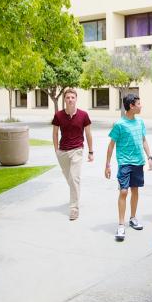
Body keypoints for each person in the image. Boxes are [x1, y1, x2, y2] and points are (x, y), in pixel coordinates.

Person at [105, 93, 152, 241]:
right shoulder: (119, 124)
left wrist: (149, 156)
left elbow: (143, 140)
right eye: (138, 104)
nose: (141, 106)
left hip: (138, 162)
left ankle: (133, 218)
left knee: (135, 190)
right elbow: (111, 145)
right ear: (131, 106)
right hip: (124, 162)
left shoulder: (140, 122)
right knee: (124, 192)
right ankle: (121, 224)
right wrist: (107, 164)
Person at [51, 88, 93, 221]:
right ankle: (76, 192)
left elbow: (88, 134)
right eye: (68, 97)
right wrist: (56, 150)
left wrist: (91, 151)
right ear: (65, 99)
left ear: (76, 99)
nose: (70, 100)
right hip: (62, 151)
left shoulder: (83, 115)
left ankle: (74, 208)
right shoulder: (58, 115)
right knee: (69, 178)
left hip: (77, 150)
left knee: (74, 178)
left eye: (72, 97)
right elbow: (55, 133)